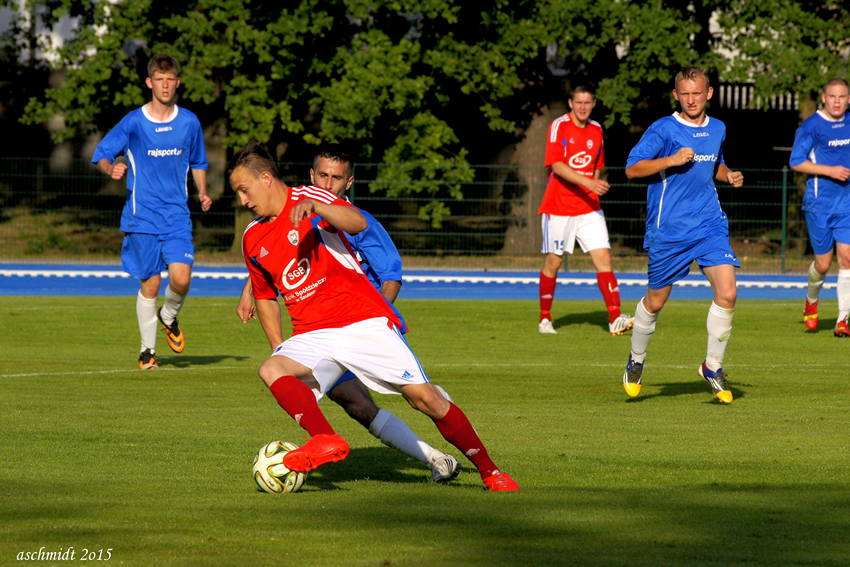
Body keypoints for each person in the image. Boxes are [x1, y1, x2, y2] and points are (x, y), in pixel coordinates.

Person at [229, 141, 518, 491]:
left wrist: (318, 206)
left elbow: (356, 222)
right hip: (313, 333)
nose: (243, 200)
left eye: (244, 190)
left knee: (425, 399)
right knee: (271, 368)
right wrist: (280, 348)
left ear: (265, 178)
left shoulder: (309, 195)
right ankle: (325, 439)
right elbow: (265, 296)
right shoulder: (252, 236)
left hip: (360, 320)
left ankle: (490, 471)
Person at [621, 67, 744, 404]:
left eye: (697, 93)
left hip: (709, 224)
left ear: (709, 93)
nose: (691, 99)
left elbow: (714, 163)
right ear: (676, 95)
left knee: (728, 292)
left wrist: (728, 174)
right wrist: (671, 160)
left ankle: (712, 366)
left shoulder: (717, 128)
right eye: (685, 93)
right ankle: (637, 359)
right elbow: (632, 169)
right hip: (669, 229)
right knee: (656, 302)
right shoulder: (663, 129)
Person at [92, 54, 212, 369]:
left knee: (181, 278)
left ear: (177, 82)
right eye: (159, 79)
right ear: (149, 82)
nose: (165, 85)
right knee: (151, 284)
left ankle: (169, 315)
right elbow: (102, 153)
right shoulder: (134, 122)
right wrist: (111, 168)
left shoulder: (189, 122)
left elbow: (198, 161)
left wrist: (202, 191)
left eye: (170, 79)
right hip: (141, 217)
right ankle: (148, 352)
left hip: (176, 217)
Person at [537, 85, 633, 336]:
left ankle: (614, 318)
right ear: (571, 103)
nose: (582, 107)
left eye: (587, 103)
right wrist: (588, 182)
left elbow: (596, 166)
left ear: (593, 103)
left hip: (589, 207)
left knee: (604, 258)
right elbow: (557, 165)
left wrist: (595, 184)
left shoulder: (597, 129)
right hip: (559, 206)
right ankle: (545, 318)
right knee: (554, 262)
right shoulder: (559, 126)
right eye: (578, 102)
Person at [789, 78, 850, 336]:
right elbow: (796, 162)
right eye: (832, 96)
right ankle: (811, 300)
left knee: (847, 258)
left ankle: (843, 319)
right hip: (819, 204)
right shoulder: (811, 126)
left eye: (842, 96)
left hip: (847, 203)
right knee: (823, 264)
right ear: (824, 97)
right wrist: (830, 171)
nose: (837, 101)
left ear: (849, 100)